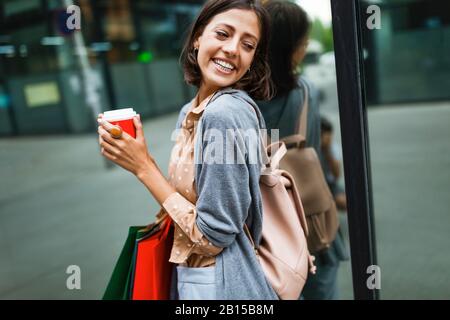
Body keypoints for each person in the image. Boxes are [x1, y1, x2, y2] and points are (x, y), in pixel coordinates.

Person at [97, 0, 278, 300]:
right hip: (192, 276)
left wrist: (144, 167)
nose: (233, 49)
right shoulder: (192, 111)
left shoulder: (223, 115)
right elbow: (190, 200)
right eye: (223, 34)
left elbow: (214, 235)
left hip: (218, 285)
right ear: (198, 38)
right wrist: (137, 158)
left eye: (248, 45)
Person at [257, 0, 348, 300]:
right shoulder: (304, 91)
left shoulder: (236, 99)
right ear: (291, 48)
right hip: (309, 225)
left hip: (264, 233)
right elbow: (314, 159)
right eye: (303, 41)